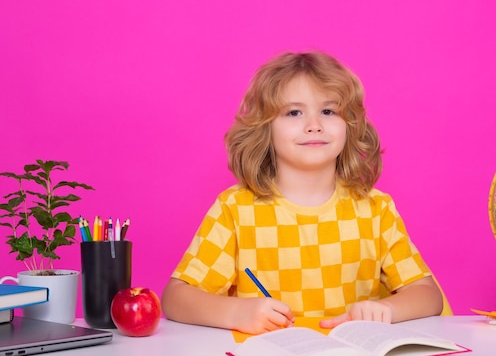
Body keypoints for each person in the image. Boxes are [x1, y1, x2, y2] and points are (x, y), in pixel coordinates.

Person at [161, 51, 445, 334]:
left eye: (329, 111)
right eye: (294, 112)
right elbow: (175, 298)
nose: (314, 125)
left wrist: (386, 310)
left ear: (351, 125)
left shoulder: (376, 209)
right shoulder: (235, 209)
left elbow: (428, 295)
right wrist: (237, 312)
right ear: (265, 128)